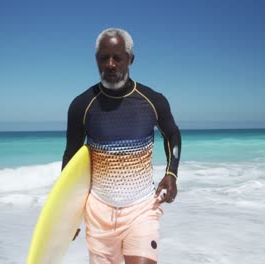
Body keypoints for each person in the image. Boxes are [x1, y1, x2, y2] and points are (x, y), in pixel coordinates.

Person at [62, 28, 181, 264]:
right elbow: (71, 160)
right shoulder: (82, 105)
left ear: (131, 59)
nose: (110, 64)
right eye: (103, 58)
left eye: (117, 57)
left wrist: (171, 174)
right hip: (99, 214)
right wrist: (68, 215)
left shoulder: (152, 101)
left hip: (141, 209)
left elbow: (172, 134)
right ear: (96, 60)